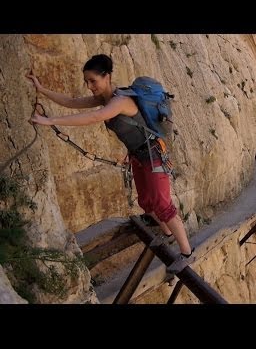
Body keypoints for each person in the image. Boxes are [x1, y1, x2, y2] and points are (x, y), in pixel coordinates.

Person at [27, 54, 193, 274]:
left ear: (107, 77)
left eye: (93, 81)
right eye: (86, 81)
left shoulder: (120, 101)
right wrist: (41, 89)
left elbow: (95, 117)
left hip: (153, 154)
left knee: (162, 204)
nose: (89, 86)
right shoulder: (105, 99)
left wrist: (50, 121)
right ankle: (167, 233)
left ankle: (187, 253)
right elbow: (72, 102)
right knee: (146, 202)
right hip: (138, 155)